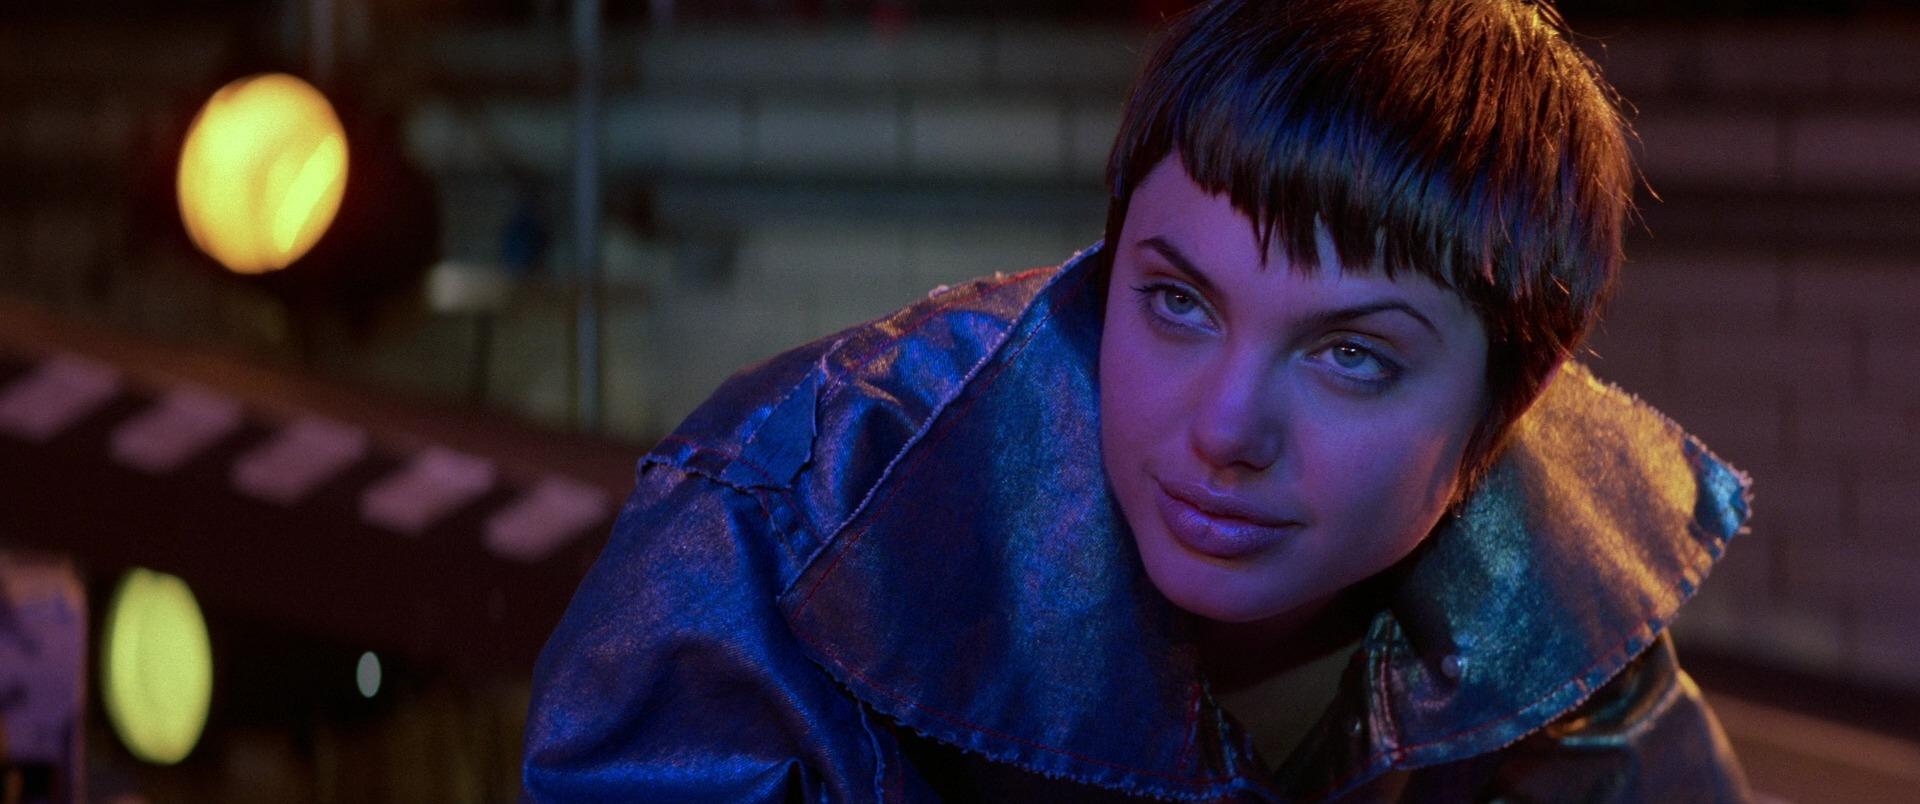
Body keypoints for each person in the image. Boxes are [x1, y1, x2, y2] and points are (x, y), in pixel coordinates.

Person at [523, 0, 1755, 800]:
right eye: (1178, 302)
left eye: (1351, 356)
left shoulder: (1562, 595)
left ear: (1509, 408)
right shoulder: (782, 538)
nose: (1223, 428)